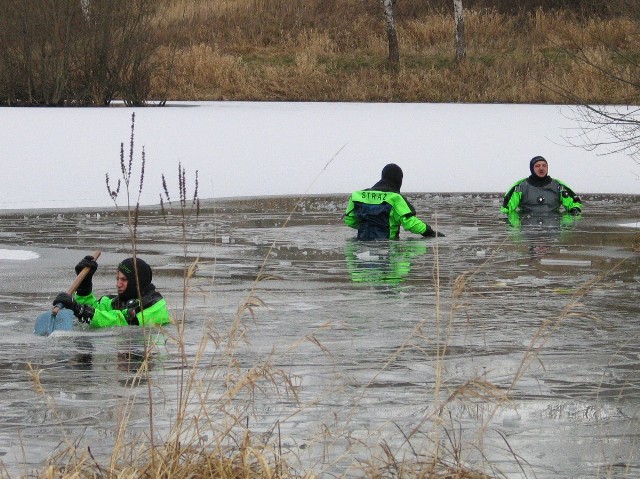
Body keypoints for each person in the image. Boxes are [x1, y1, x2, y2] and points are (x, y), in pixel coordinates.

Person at [53, 255, 171, 328]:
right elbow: (99, 309)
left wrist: (80, 310)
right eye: (117, 279)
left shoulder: (154, 306)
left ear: (137, 283)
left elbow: (118, 321)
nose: (118, 284)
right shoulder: (122, 301)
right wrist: (84, 286)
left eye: (124, 280)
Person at [344, 163, 444, 240]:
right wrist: (430, 232)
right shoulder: (395, 198)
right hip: (387, 247)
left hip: (362, 246)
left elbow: (349, 220)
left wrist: (368, 228)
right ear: (398, 180)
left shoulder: (357, 196)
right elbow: (410, 223)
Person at [501, 156, 582, 215]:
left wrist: (574, 210)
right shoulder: (519, 187)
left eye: (544, 165)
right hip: (528, 231)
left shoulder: (559, 186)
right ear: (532, 168)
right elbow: (506, 209)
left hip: (553, 231)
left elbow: (574, 203)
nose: (541, 168)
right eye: (537, 166)